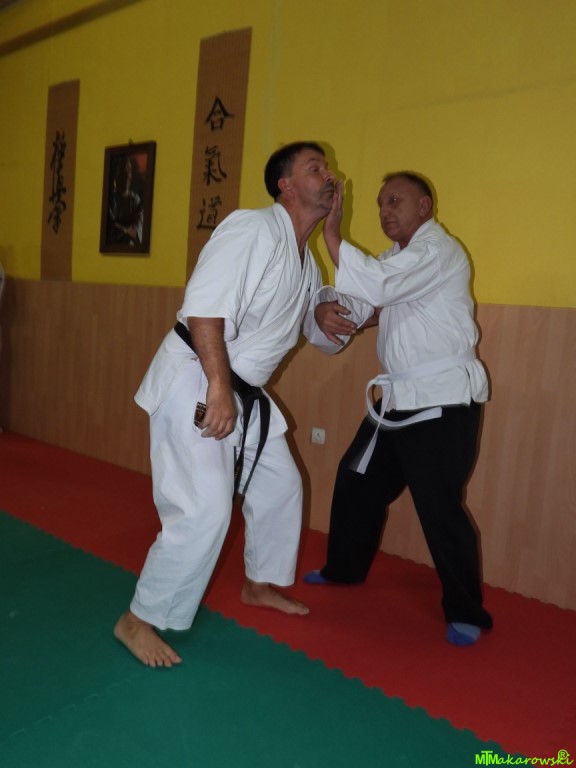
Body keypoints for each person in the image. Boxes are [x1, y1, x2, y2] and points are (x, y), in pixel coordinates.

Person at [114, 141, 375, 667]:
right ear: (285, 185)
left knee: (281, 486)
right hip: (198, 376)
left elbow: (304, 326)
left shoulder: (307, 263)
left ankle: (258, 584)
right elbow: (204, 309)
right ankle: (137, 619)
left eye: (328, 168)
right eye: (316, 168)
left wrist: (319, 317)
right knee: (204, 507)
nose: (329, 176)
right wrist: (217, 387)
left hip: (242, 390)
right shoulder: (252, 228)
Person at [304, 171, 493, 647]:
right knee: (356, 479)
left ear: (424, 207)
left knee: (438, 505)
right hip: (397, 400)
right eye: (380, 204)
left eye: (395, 201)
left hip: (441, 400)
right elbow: (364, 302)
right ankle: (344, 568)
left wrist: (332, 235)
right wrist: (325, 312)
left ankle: (466, 611)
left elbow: (381, 287)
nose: (385, 211)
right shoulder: (395, 260)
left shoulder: (438, 250)